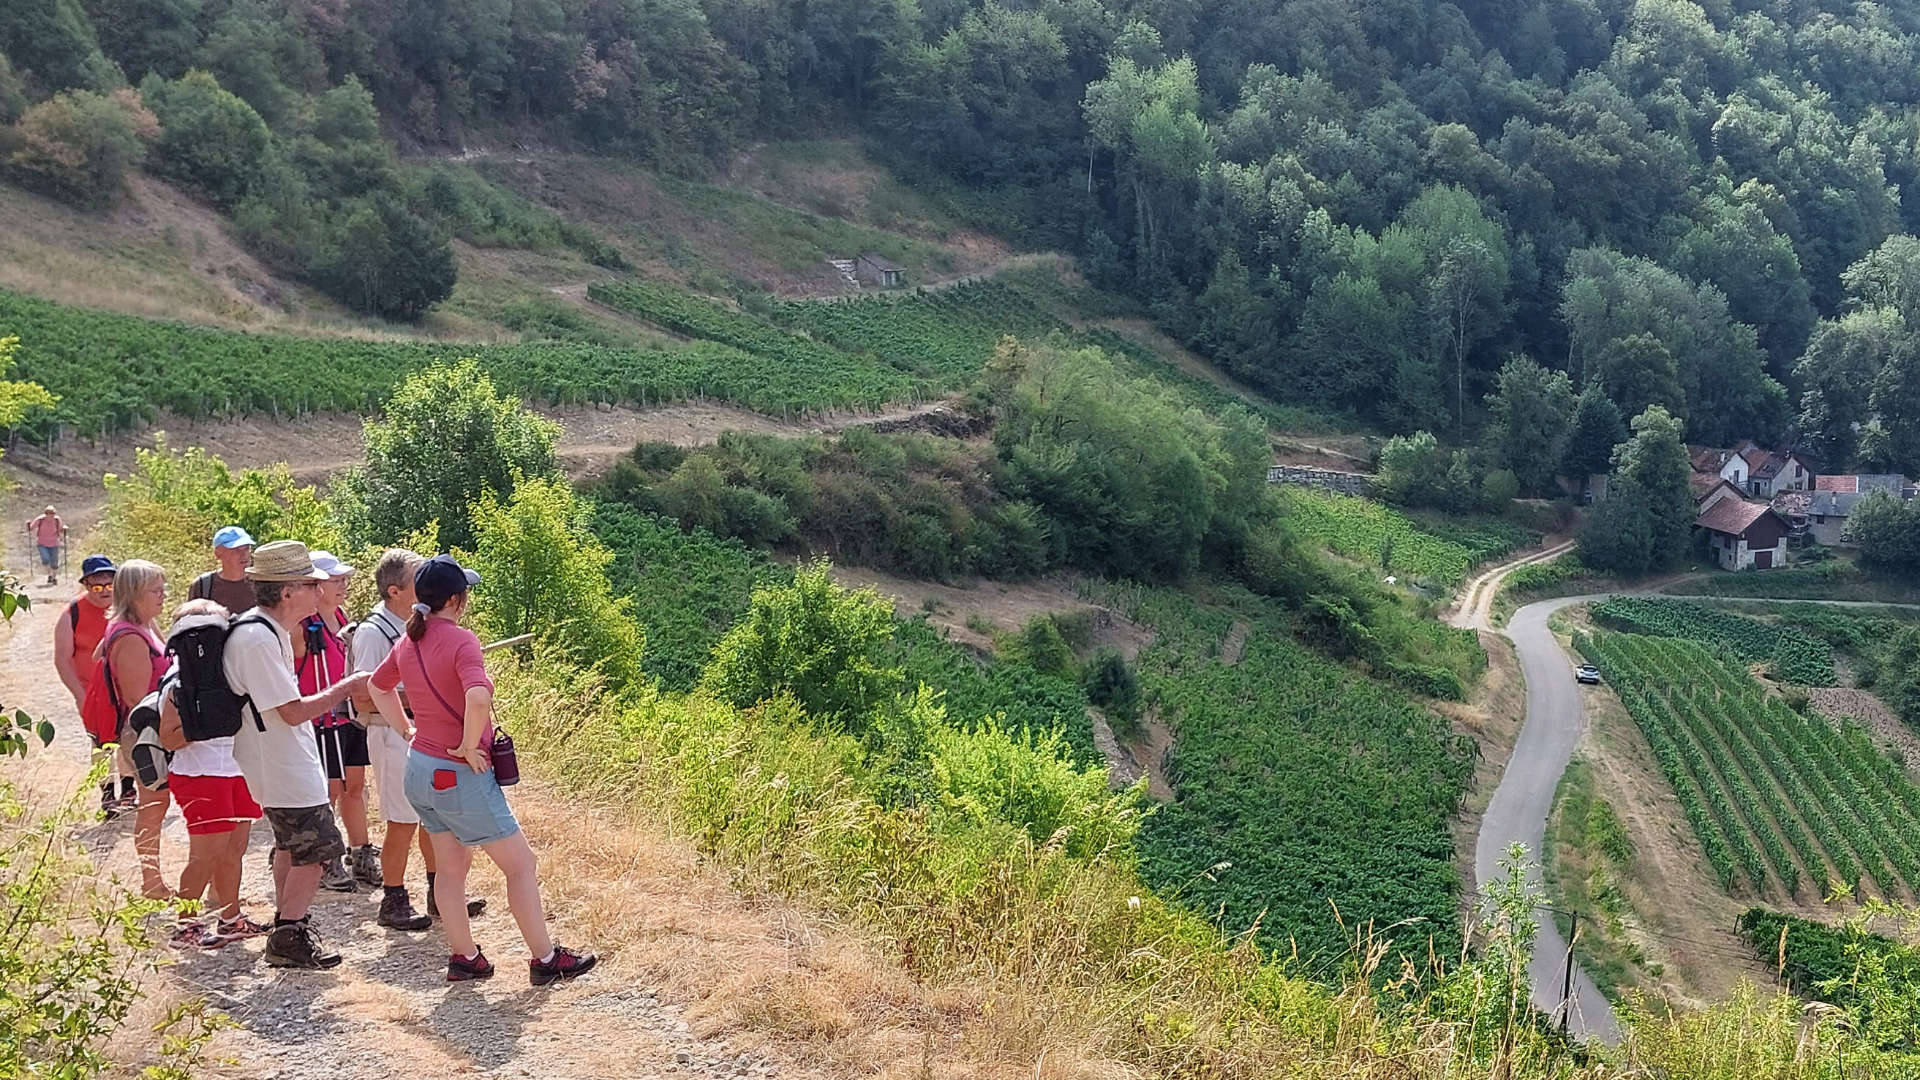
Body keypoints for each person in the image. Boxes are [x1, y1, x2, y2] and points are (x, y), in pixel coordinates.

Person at [369, 555, 596, 985]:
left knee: (450, 868)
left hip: (420, 768)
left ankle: (465, 957)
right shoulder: (462, 641)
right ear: (456, 600)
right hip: (457, 773)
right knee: (521, 865)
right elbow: (477, 697)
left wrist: (406, 729)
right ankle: (545, 960)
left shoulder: (407, 639)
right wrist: (469, 745)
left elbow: (376, 687)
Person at [224, 540, 370, 970]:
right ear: (287, 592)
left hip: (279, 760)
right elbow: (291, 712)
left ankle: (288, 930)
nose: (320, 590)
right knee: (319, 850)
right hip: (281, 764)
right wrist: (348, 687)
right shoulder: (259, 639)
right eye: (311, 584)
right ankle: (289, 933)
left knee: (291, 846)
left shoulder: (266, 631)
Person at [349, 548, 484, 931]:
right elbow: (363, 693)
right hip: (391, 733)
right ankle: (393, 899)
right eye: (417, 578)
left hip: (417, 735)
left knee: (433, 819)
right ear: (394, 591)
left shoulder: (415, 626)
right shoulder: (374, 631)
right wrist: (426, 694)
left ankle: (440, 893)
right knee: (402, 821)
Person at [163, 598, 269, 950]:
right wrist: (206, 722)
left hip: (238, 770)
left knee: (233, 851)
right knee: (205, 854)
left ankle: (230, 919)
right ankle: (186, 925)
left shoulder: (232, 673)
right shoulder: (179, 680)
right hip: (200, 775)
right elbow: (169, 738)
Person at [96, 559, 175, 899]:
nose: (162, 595)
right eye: (155, 590)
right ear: (135, 594)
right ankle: (151, 882)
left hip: (156, 730)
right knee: (153, 806)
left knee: (156, 805)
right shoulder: (129, 637)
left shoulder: (143, 625)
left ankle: (154, 880)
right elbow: (137, 699)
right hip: (146, 733)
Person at [297, 551, 370, 893]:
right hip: (320, 718)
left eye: (343, 579)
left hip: (348, 714)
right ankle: (325, 858)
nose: (343, 585)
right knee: (329, 790)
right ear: (316, 585)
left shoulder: (340, 617)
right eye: (335, 580)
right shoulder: (302, 626)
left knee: (355, 785)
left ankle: (361, 853)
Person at [54, 555, 130, 815]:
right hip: (93, 692)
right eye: (97, 586)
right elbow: (62, 659)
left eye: (109, 585)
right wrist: (80, 694)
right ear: (86, 585)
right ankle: (108, 796)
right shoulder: (72, 614)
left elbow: (154, 639)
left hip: (128, 687)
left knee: (128, 737)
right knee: (101, 742)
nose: (104, 591)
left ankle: (128, 790)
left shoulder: (128, 607)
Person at [188, 526, 257, 615]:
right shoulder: (203, 586)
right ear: (218, 554)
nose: (244, 555)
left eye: (246, 548)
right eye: (236, 550)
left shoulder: (262, 583)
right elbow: (191, 620)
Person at [25, 505, 64, 585]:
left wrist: (65, 530)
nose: (51, 515)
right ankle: (49, 575)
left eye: (52, 514)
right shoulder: (40, 519)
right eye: (49, 514)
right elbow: (31, 528)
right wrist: (28, 525)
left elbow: (60, 529)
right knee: (45, 559)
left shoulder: (57, 520)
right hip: (42, 543)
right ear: (46, 514)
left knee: (54, 562)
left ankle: (54, 577)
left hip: (54, 543)